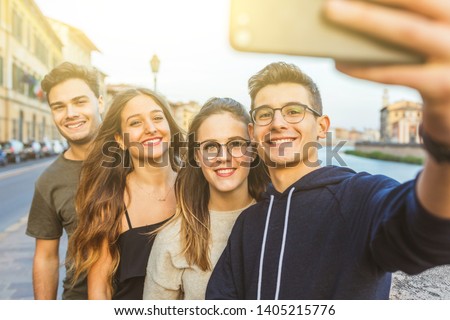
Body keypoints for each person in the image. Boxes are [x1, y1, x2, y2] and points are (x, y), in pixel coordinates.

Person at [206, 0, 450, 299]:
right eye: (265, 113)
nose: (278, 123)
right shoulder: (249, 223)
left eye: (294, 111)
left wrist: (444, 141)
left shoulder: (360, 197)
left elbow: (427, 233)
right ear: (252, 132)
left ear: (321, 127)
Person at [142, 97, 269, 300]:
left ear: (252, 151)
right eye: (210, 147)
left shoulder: (279, 222)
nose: (223, 157)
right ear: (197, 156)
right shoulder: (174, 238)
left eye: (235, 144)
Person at [67, 88, 184, 299]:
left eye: (157, 118)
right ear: (120, 140)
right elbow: (100, 291)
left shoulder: (196, 187)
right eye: (135, 123)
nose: (150, 128)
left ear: (169, 125)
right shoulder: (110, 202)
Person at [26, 62, 104, 300]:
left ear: (99, 102)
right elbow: (46, 257)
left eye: (80, 102)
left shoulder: (135, 156)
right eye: (59, 107)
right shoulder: (48, 181)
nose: (70, 114)